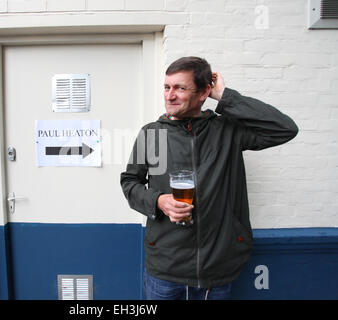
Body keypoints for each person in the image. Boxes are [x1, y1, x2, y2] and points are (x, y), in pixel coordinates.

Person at [120, 56, 298, 300]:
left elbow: (284, 128)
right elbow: (130, 182)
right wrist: (158, 200)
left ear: (204, 92)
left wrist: (225, 96)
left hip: (218, 267)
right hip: (166, 267)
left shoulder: (227, 130)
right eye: (166, 87)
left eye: (180, 88)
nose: (169, 95)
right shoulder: (152, 134)